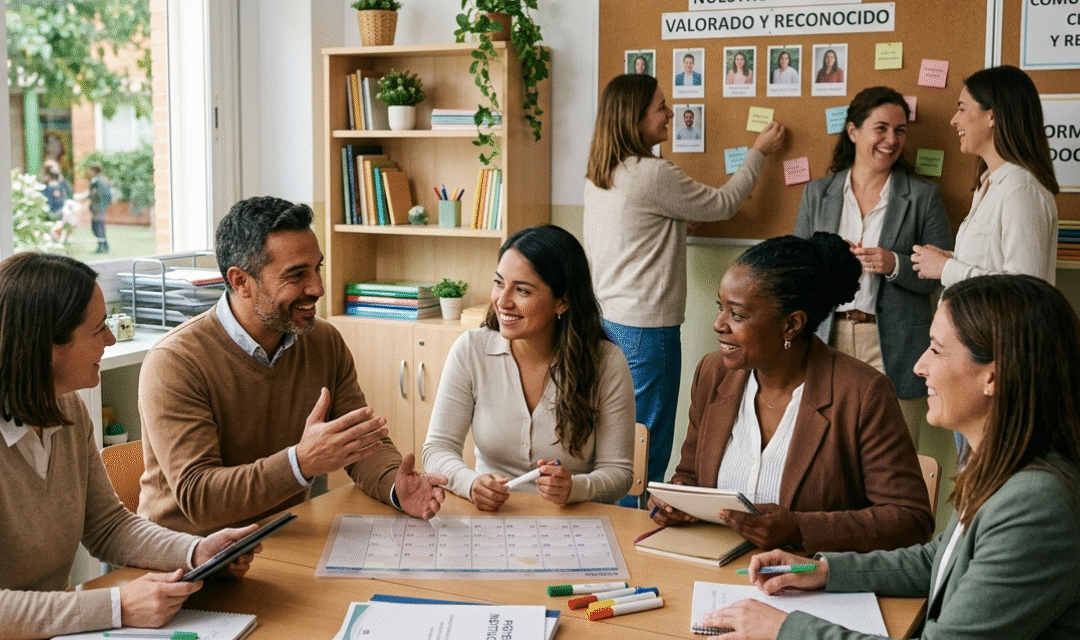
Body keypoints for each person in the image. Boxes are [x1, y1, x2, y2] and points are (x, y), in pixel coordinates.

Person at [702, 274, 1080, 639]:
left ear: (991, 378)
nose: (919, 366)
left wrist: (785, 629)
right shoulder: (1002, 466)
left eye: (936, 349)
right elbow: (938, 561)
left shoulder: (1035, 505)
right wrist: (823, 570)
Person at [138, 196, 446, 535]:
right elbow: (199, 498)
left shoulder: (323, 342)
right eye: (297, 275)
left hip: (278, 540)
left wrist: (395, 487)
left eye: (317, 268)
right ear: (241, 281)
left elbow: (357, 444)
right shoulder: (176, 362)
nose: (318, 288)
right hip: (185, 564)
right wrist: (300, 463)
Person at [0, 253, 260, 639]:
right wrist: (116, 606)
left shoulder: (67, 407)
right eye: (97, 329)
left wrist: (197, 552)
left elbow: (107, 526)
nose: (109, 338)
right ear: (49, 347)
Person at [649, 233, 933, 553]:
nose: (718, 324)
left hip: (806, 577)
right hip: (716, 577)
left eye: (737, 314)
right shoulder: (713, 374)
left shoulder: (862, 393)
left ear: (791, 325)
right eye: (720, 307)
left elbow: (911, 521)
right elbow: (689, 474)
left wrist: (800, 528)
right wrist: (677, 498)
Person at [583, 74, 786, 504]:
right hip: (646, 333)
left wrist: (675, 221)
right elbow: (725, 202)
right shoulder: (655, 174)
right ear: (634, 119)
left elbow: (636, 229)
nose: (671, 113)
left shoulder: (602, 174)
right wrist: (758, 152)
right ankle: (635, 545)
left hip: (606, 323)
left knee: (616, 446)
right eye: (661, 106)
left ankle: (613, 541)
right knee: (644, 450)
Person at [423, 225, 635, 510]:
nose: (502, 300)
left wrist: (576, 487)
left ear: (562, 301)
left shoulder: (606, 363)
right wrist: (470, 483)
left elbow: (619, 475)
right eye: (499, 283)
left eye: (522, 290)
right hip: (491, 518)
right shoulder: (470, 350)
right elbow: (437, 450)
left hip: (574, 525)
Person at [794, 87, 952, 445]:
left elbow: (941, 276)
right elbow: (797, 272)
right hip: (827, 338)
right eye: (880, 128)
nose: (891, 140)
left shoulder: (924, 197)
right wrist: (830, 258)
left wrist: (893, 263)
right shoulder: (817, 193)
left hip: (895, 343)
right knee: (828, 453)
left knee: (896, 455)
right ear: (853, 132)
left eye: (900, 130)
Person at [912, 65, 1059, 287]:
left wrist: (947, 269)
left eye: (961, 109)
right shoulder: (989, 183)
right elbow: (994, 267)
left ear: (992, 116)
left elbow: (1025, 289)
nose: (954, 120)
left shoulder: (1022, 190)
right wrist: (952, 259)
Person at [79, 163, 112, 253]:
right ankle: (104, 246)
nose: (89, 172)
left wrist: (81, 198)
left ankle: (102, 247)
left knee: (96, 227)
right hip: (102, 207)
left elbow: (92, 193)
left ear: (94, 170)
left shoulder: (95, 180)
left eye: (90, 170)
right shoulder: (105, 180)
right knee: (100, 226)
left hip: (97, 207)